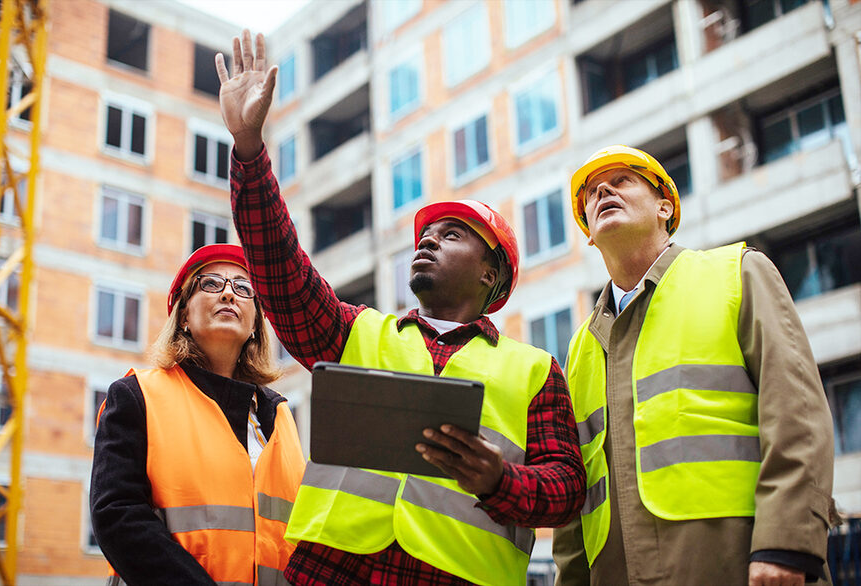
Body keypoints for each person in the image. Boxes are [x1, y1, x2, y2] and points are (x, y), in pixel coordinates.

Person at [215, 30, 587, 586]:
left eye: (452, 234)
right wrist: (249, 149)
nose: (428, 241)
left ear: (492, 272)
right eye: (425, 234)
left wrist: (500, 481)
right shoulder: (358, 331)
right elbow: (280, 271)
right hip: (333, 571)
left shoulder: (535, 371)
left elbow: (567, 490)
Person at [553, 145, 838, 586]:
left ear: (666, 206)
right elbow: (577, 493)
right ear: (588, 232)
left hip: (742, 564)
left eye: (623, 179)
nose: (603, 189)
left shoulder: (737, 274)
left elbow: (796, 413)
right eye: (591, 192)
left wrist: (786, 543)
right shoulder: (579, 349)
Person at [90, 244, 305, 586]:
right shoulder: (136, 396)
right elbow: (116, 515)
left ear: (255, 325)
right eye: (210, 284)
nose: (228, 294)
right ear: (184, 316)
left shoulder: (279, 417)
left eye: (243, 288)